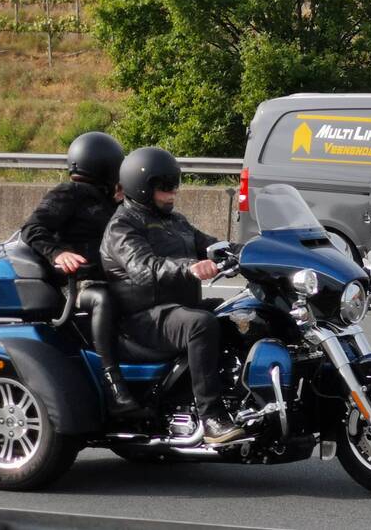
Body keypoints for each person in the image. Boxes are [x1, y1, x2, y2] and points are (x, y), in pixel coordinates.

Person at [100, 147, 244, 445]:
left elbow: (211, 245)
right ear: (142, 187)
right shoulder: (122, 226)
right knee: (200, 324)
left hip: (176, 309)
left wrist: (248, 251)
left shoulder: (175, 221)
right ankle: (211, 416)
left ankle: (244, 400)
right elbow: (144, 268)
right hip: (143, 317)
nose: (172, 193)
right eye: (165, 186)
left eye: (174, 185)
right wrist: (190, 267)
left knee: (239, 313)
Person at [20, 131, 144, 417]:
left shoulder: (109, 200)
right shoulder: (69, 193)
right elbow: (32, 228)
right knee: (103, 299)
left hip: (112, 277)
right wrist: (57, 253)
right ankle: (113, 383)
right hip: (77, 284)